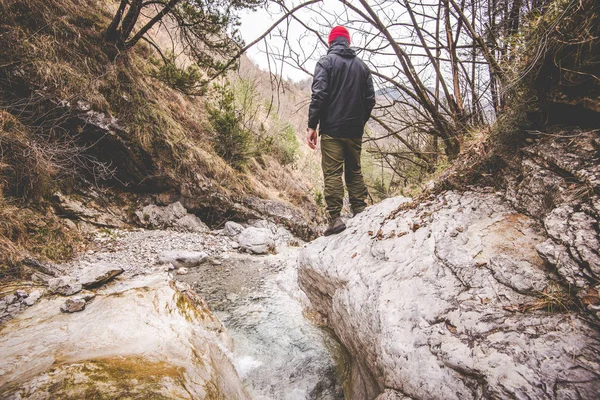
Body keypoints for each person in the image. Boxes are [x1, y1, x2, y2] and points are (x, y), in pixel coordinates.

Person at [307, 25, 375, 236]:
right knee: (354, 171)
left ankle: (335, 218)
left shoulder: (325, 63)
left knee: (333, 173)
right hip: (354, 130)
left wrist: (312, 125)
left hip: (332, 129)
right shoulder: (362, 67)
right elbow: (370, 100)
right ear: (348, 42)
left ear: (330, 42)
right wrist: (359, 122)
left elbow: (319, 94)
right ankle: (360, 211)